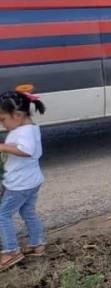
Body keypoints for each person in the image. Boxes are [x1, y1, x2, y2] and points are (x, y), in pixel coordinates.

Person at [0, 91, 47, 271]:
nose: (2, 124)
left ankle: (11, 251)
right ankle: (37, 244)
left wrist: (2, 146)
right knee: (28, 211)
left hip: (19, 184)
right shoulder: (29, 128)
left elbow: (26, 150)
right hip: (31, 181)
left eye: (3, 119)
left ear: (17, 115)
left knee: (2, 215)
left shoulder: (24, 131)